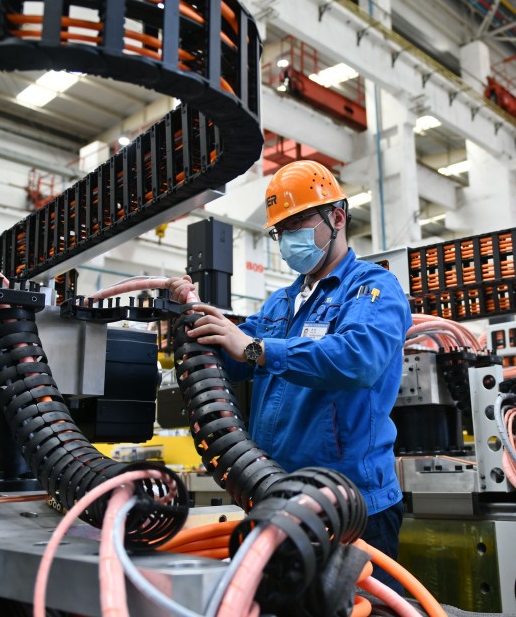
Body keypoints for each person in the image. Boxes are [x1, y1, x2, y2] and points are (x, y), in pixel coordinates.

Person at [168, 159, 411, 591]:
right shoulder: (281, 302)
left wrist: (259, 348)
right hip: (276, 496)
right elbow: (236, 356)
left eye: (299, 221)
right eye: (282, 230)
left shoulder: (373, 288)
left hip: (352, 505)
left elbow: (357, 358)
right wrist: (192, 323)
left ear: (337, 218)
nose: (288, 238)